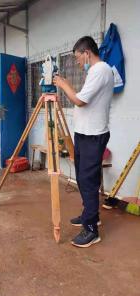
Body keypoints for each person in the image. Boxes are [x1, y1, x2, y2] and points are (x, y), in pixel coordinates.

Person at [53, 36, 114, 248]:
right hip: (84, 134)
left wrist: (63, 84)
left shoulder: (101, 70)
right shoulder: (94, 72)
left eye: (78, 58)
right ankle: (91, 215)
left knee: (87, 181)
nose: (79, 63)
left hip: (92, 135)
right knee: (84, 177)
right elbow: (83, 100)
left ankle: (91, 230)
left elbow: (79, 100)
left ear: (86, 52)